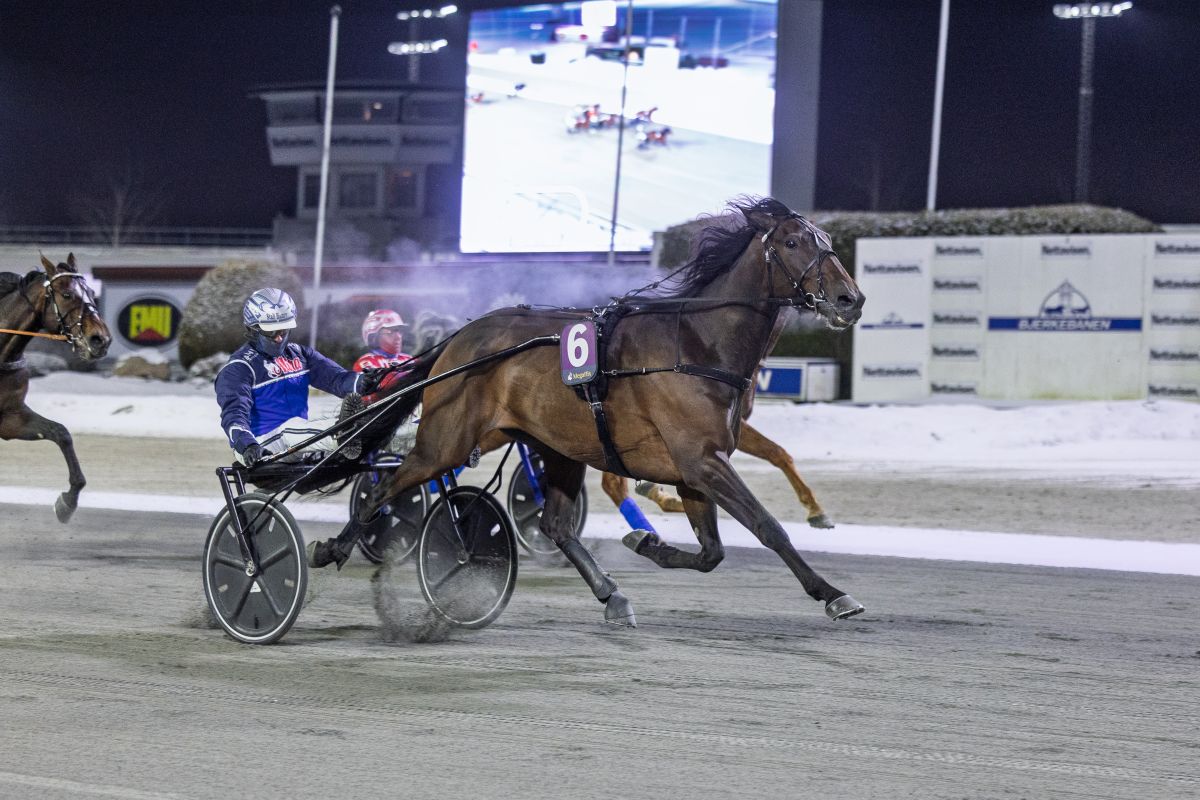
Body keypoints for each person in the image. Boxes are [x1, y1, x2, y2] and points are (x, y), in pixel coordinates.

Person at [214, 288, 378, 468]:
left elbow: (336, 379)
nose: (279, 338)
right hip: (259, 446)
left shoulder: (300, 354)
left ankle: (361, 430)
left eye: (283, 330)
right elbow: (234, 414)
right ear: (253, 329)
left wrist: (363, 382)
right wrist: (247, 444)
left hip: (297, 441)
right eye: (271, 332)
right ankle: (343, 433)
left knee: (312, 424)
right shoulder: (239, 368)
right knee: (290, 429)